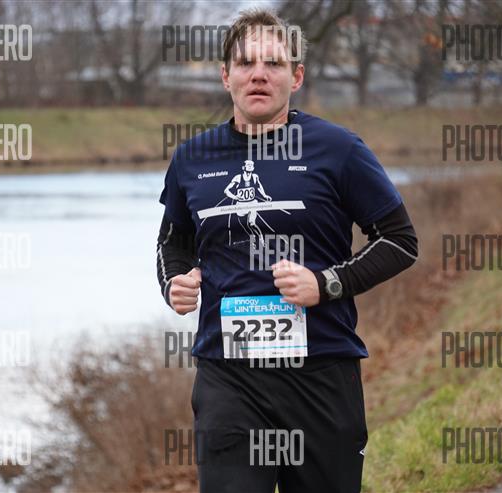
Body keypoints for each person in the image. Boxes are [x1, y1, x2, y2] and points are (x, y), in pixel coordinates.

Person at [156, 8, 418, 493]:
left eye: (273, 63)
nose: (258, 74)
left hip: (320, 373)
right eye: (245, 63)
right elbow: (173, 241)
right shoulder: (192, 157)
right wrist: (175, 281)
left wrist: (326, 283)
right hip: (228, 378)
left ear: (296, 77)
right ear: (226, 75)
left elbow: (399, 241)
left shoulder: (337, 149)